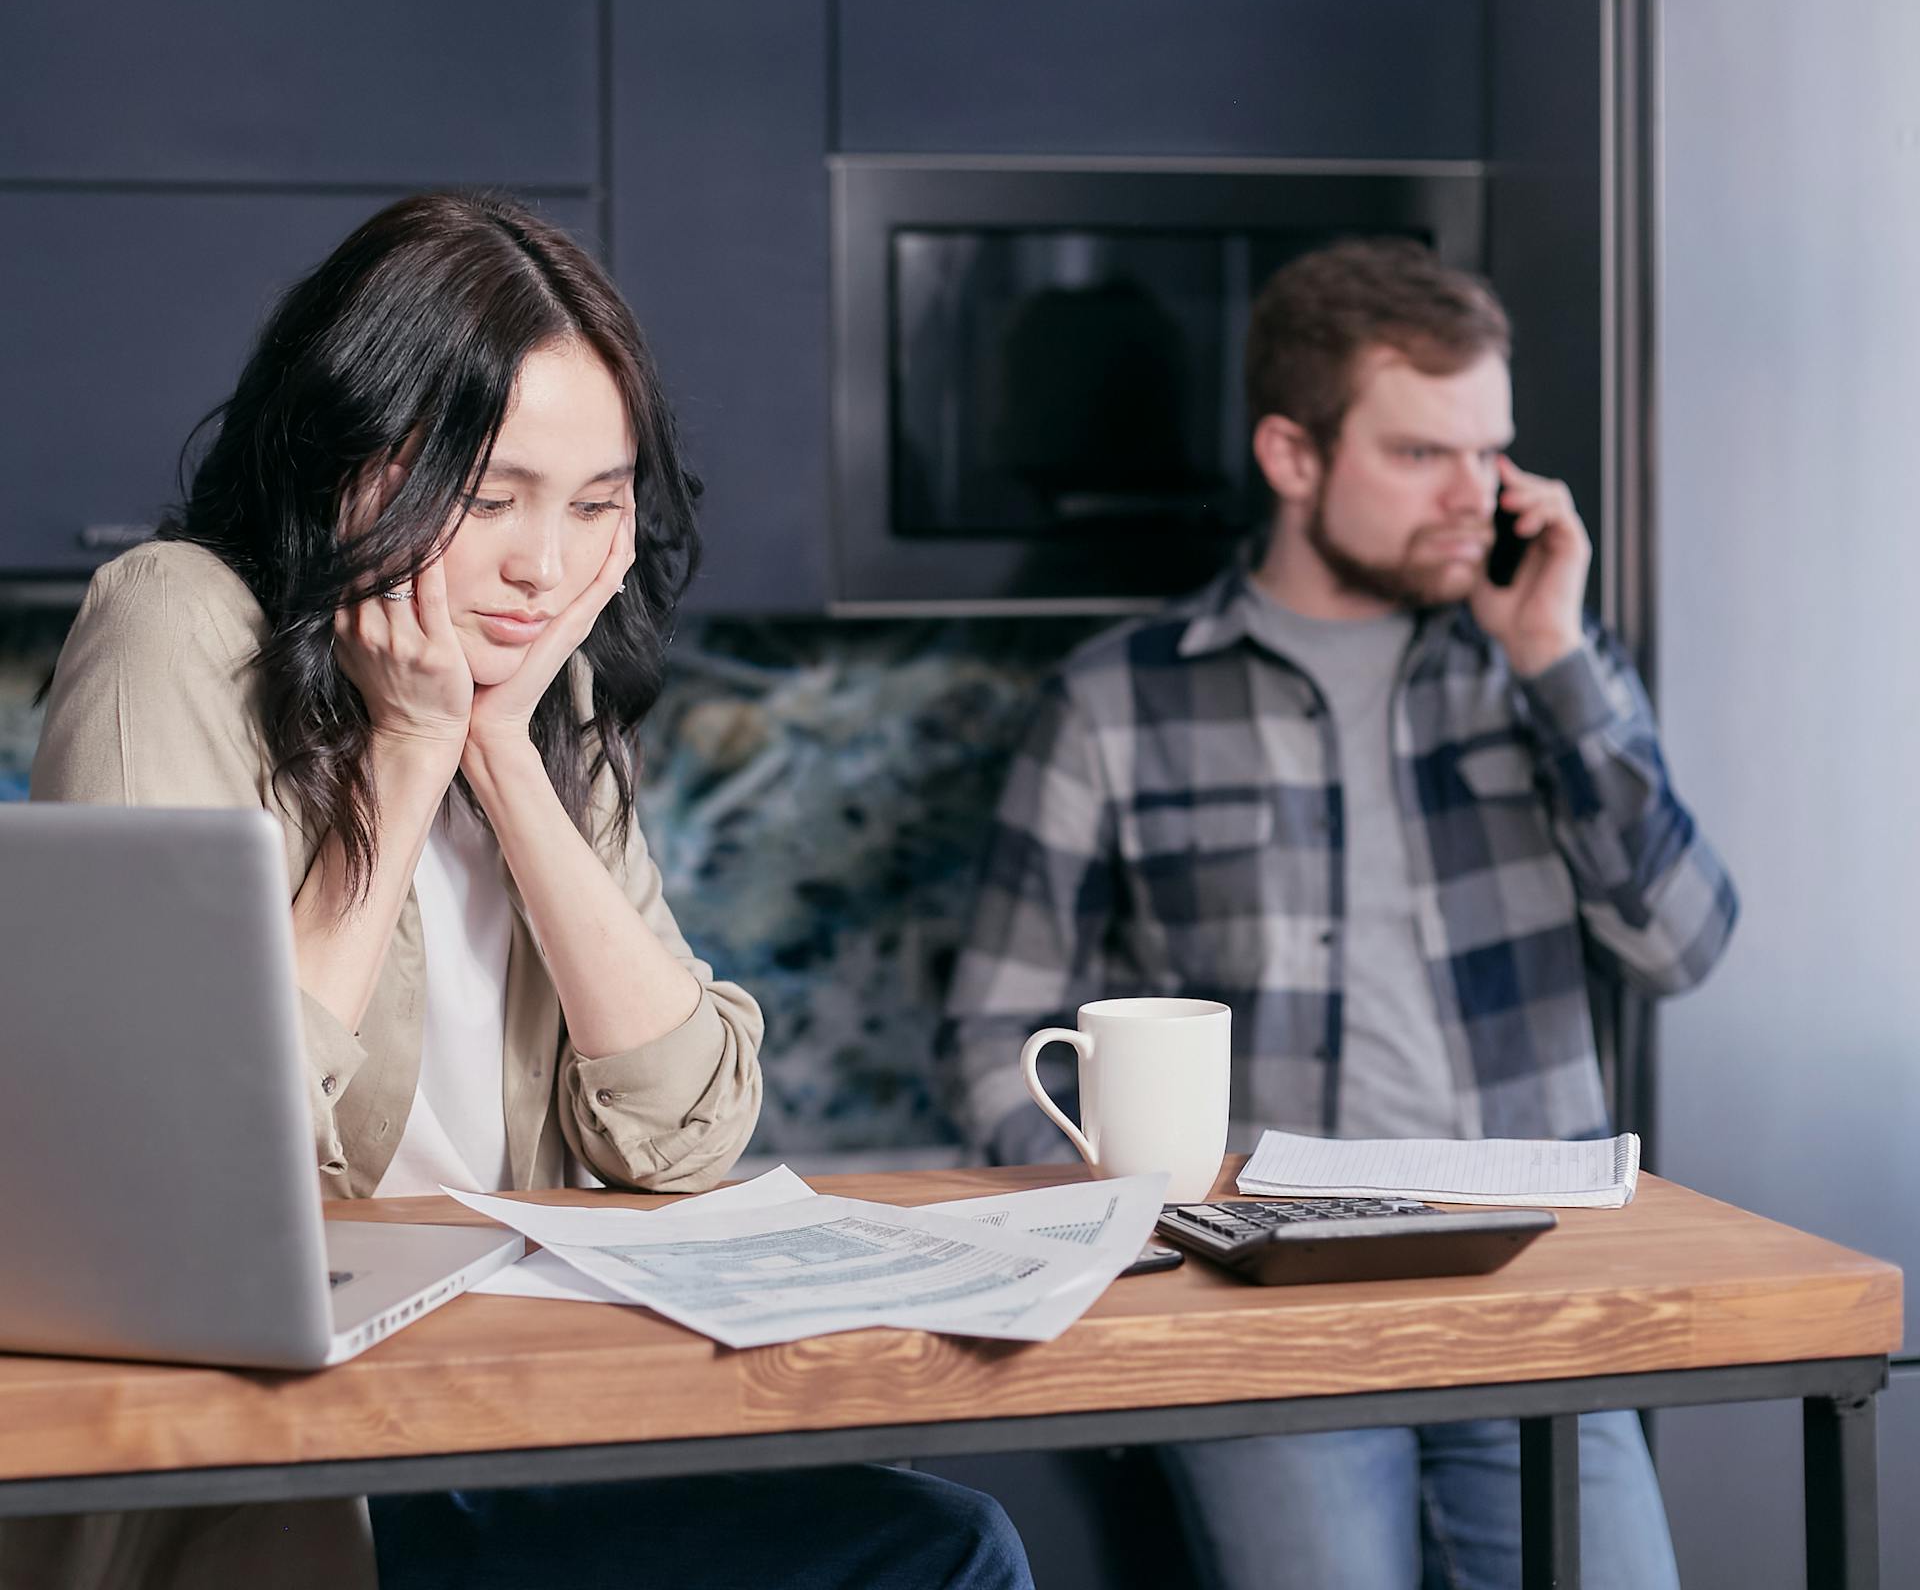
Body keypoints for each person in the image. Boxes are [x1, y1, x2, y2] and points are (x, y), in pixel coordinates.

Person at [8, 191, 1031, 1590]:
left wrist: (500, 743)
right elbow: (171, 1160)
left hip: (521, 1421)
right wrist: (411, 751)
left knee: (944, 1547)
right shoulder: (177, 621)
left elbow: (684, 1132)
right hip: (294, 1462)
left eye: (594, 508)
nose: (543, 568)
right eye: (492, 499)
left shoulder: (550, 690)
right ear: (352, 464)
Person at [938, 237, 1737, 1590]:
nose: (1474, 497)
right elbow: (991, 1036)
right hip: (1268, 1308)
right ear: (1292, 458)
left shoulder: (1543, 670)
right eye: (1423, 454)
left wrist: (1554, 658)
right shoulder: (1116, 701)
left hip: (1534, 1292)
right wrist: (1150, 1222)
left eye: (1492, 453)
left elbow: (1681, 942)